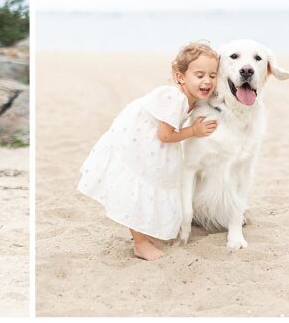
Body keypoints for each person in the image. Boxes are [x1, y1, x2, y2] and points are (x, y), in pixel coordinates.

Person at [77, 41, 220, 261]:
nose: (207, 81)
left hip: (150, 143)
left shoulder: (191, 98)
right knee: (141, 185)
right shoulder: (175, 97)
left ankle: (146, 235)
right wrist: (194, 130)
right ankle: (140, 244)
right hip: (139, 141)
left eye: (212, 75)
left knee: (156, 183)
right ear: (181, 77)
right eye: (199, 75)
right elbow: (165, 135)